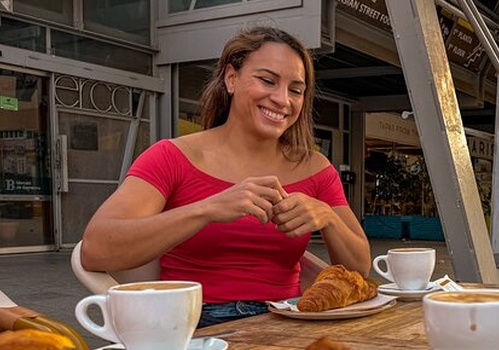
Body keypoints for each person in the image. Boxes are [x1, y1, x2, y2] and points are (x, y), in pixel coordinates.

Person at [80, 26, 371, 327]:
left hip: (289, 321)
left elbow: (360, 269)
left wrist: (328, 217)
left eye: (296, 90)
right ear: (231, 78)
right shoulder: (171, 156)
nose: (283, 99)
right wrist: (207, 209)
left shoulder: (317, 168)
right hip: (193, 326)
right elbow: (95, 250)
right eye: (267, 81)